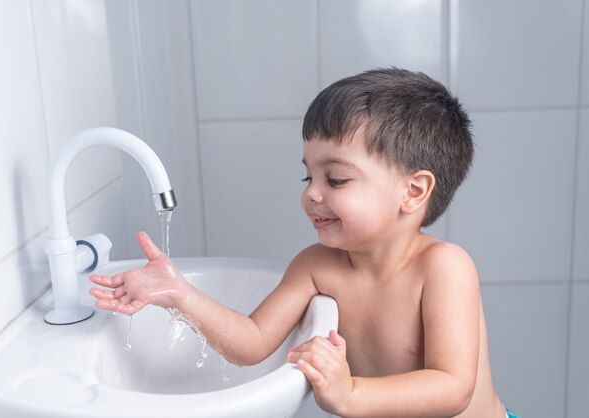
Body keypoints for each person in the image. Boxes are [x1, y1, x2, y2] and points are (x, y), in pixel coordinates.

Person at [90, 68, 516, 417]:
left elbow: (452, 387)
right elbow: (252, 342)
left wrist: (350, 393)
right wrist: (180, 294)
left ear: (414, 192)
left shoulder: (443, 267)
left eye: (336, 179)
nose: (312, 193)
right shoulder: (317, 266)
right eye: (307, 175)